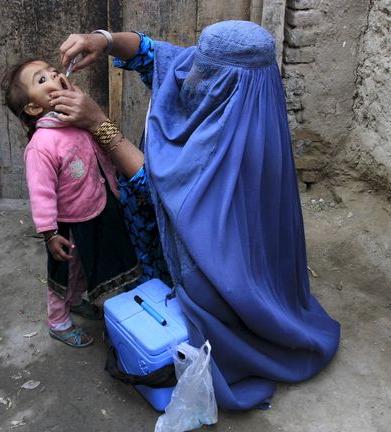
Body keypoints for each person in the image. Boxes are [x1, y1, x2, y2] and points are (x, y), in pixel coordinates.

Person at [51, 22, 341, 409]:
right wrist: (103, 42)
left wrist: (97, 124)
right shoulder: (230, 87)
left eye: (205, 67)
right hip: (226, 245)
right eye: (197, 58)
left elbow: (156, 186)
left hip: (220, 265)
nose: (192, 73)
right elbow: (157, 55)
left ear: (223, 81)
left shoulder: (232, 142)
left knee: (202, 296)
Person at [1, 58, 141, 348]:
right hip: (67, 225)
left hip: (95, 209)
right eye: (42, 80)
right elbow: (41, 194)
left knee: (84, 267)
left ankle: (76, 301)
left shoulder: (76, 120)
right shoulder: (42, 145)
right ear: (33, 107)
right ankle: (58, 322)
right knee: (65, 274)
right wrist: (50, 233)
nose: (53, 75)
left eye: (53, 71)